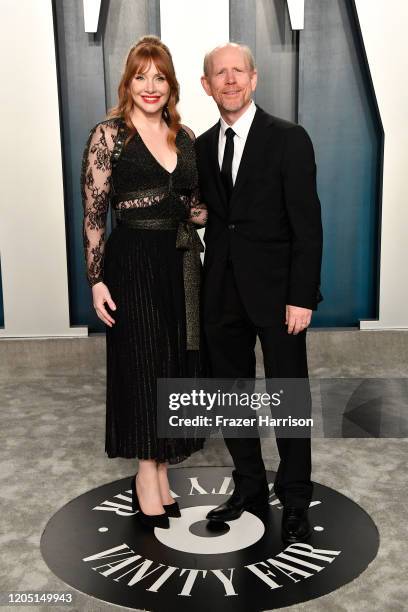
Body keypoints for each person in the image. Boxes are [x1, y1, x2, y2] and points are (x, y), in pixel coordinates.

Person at [195, 43, 323, 543]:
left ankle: (294, 494)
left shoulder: (289, 139)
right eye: (219, 74)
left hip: (279, 296)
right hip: (221, 293)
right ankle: (249, 486)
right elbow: (216, 214)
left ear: (254, 79)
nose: (229, 81)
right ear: (206, 85)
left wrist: (303, 296)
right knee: (231, 395)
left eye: (238, 72)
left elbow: (307, 226)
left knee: (289, 395)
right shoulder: (203, 146)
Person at [81, 35, 207, 530]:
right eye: (141, 76)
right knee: (144, 366)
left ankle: (162, 475)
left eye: (159, 77)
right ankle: (144, 478)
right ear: (128, 82)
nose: (150, 86)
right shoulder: (110, 135)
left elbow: (195, 210)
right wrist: (95, 281)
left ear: (170, 83)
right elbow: (94, 218)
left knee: (175, 364)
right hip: (132, 262)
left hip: (179, 263)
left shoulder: (186, 136)